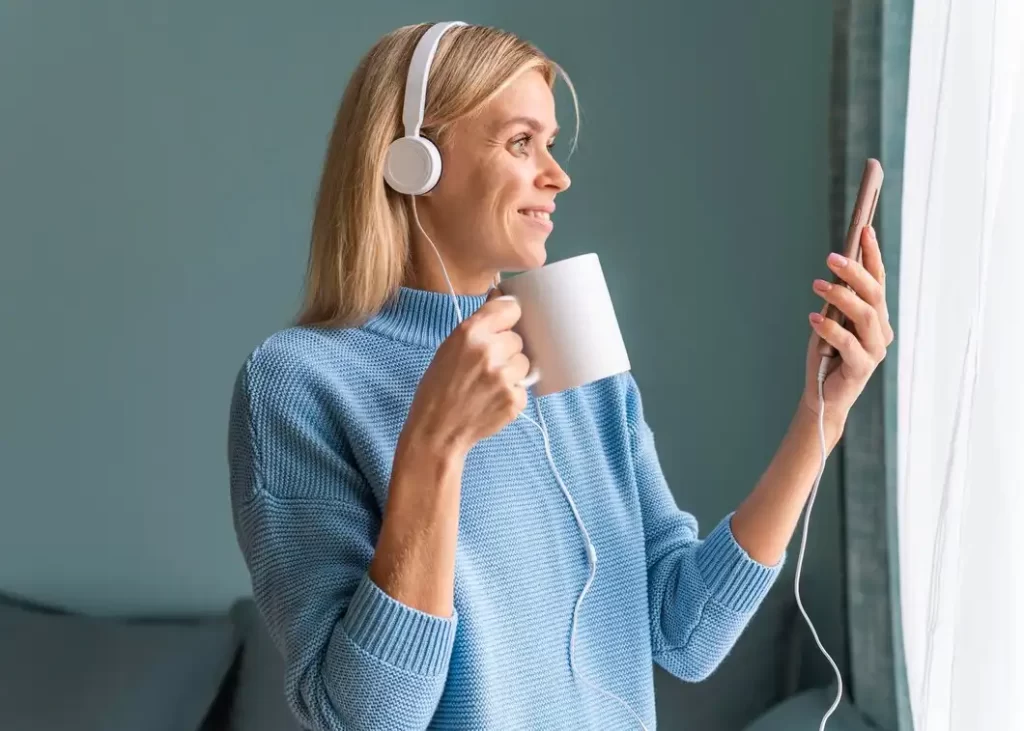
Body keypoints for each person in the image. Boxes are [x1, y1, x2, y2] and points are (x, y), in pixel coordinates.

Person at [227, 22, 894, 731]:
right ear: (412, 160)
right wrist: (434, 448)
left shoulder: (571, 347)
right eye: (521, 142)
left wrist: (821, 415)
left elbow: (686, 631)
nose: (557, 174)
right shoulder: (297, 383)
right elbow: (369, 716)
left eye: (549, 143)